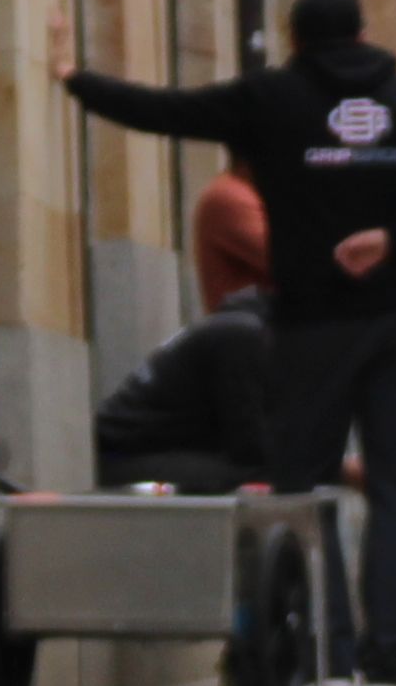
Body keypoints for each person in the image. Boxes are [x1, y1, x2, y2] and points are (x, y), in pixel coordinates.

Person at [55, 0, 396, 686]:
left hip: (316, 324)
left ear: (295, 39)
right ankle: (388, 659)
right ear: (363, 32)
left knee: (303, 485)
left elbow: (169, 111)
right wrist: (395, 237)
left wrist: (77, 79)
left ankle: (329, 653)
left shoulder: (274, 100)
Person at [92, 172, 278, 492]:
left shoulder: (243, 327)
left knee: (268, 471)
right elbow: (251, 448)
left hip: (164, 449)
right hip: (128, 458)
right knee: (260, 474)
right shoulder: (243, 336)